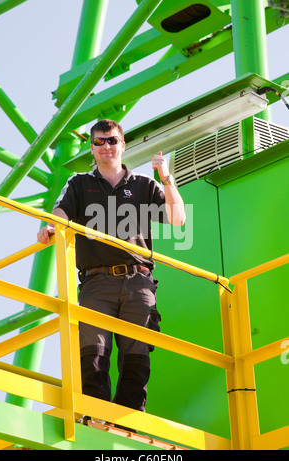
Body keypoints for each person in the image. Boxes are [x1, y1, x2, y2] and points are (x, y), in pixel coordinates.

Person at [37, 119, 185, 422]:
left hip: (138, 282)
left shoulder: (145, 184)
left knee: (136, 355)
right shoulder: (79, 183)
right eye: (100, 141)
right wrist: (52, 226)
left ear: (123, 145)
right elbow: (60, 213)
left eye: (112, 141)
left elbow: (178, 218)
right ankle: (93, 416)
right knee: (93, 354)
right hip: (96, 281)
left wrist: (166, 176)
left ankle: (128, 420)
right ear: (92, 147)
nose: (107, 147)